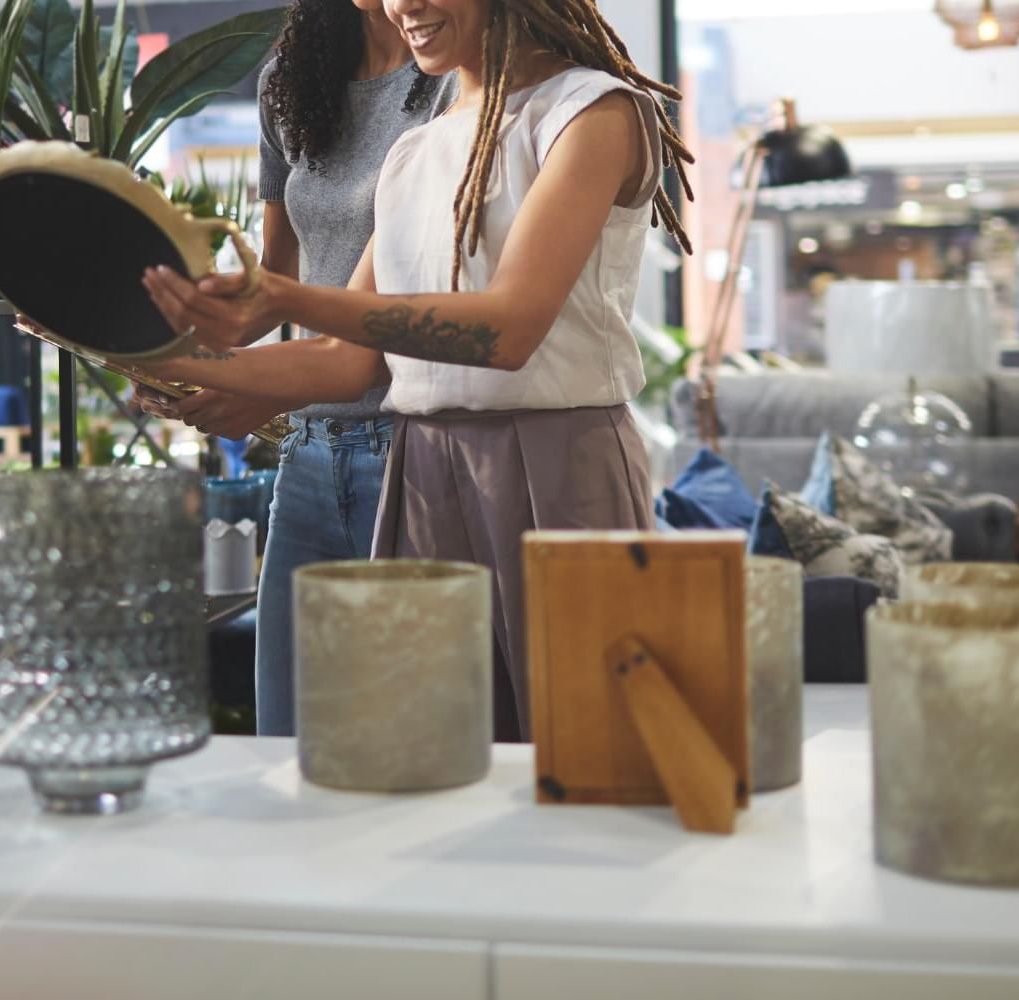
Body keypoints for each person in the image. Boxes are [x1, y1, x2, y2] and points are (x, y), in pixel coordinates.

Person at [142, 0, 694, 741]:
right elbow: (344, 364)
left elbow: (508, 330)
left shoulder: (591, 112)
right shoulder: (415, 153)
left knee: (581, 756)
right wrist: (166, 360)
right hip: (424, 472)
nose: (402, 4)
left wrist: (287, 295)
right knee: (424, 764)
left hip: (558, 468)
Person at [136, 0, 452, 737]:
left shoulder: (448, 73)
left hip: (410, 450)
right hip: (309, 459)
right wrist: (193, 359)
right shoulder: (293, 76)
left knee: (402, 742)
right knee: (286, 736)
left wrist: (235, 380)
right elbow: (274, 285)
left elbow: (369, 343)